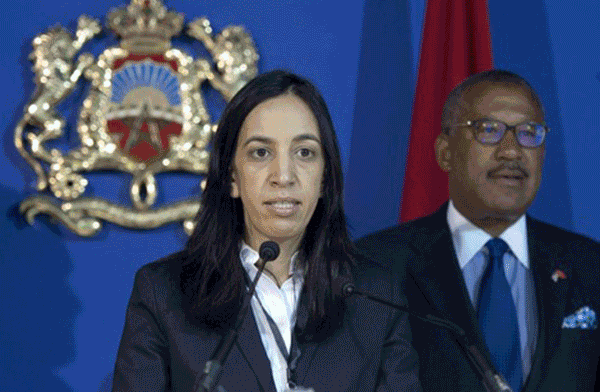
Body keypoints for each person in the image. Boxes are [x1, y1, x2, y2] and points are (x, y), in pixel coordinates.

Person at [112, 70, 421, 392]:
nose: (284, 176)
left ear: (324, 178)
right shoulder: (164, 293)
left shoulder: (377, 296)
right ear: (232, 177)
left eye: (304, 153)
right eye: (261, 153)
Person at [356, 70, 600, 392]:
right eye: (489, 130)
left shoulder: (590, 266)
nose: (512, 151)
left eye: (529, 133)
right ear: (445, 152)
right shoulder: (375, 266)